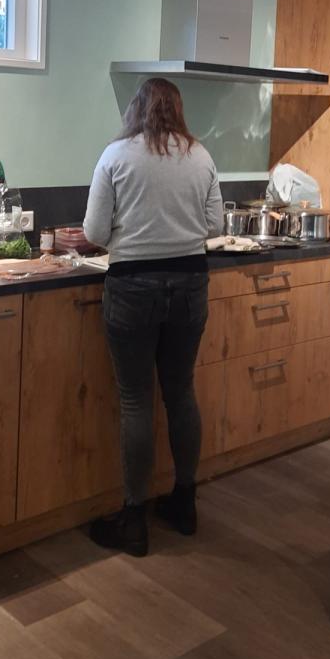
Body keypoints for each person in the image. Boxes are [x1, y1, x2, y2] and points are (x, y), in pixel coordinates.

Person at [83, 77, 224, 557]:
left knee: (136, 400)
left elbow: (95, 232)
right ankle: (184, 503)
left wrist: (135, 229)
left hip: (133, 285)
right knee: (180, 392)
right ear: (178, 110)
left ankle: (133, 520)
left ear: (136, 109)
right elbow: (215, 225)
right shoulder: (200, 156)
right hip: (190, 282)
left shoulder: (116, 156)